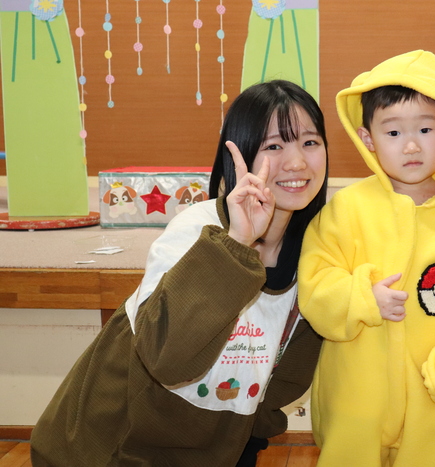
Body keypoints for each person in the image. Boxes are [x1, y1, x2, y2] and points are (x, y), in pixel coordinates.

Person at [30, 79, 328, 467]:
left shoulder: (316, 251)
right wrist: (238, 242)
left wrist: (247, 443)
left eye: (310, 142)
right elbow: (167, 358)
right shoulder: (197, 228)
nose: (297, 162)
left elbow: (284, 376)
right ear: (240, 154)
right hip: (107, 449)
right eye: (274, 146)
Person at [297, 50, 435, 467]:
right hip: (356, 398)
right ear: (368, 139)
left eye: (425, 128)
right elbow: (315, 282)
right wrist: (361, 297)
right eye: (394, 132)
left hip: (434, 404)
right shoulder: (347, 210)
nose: (411, 145)